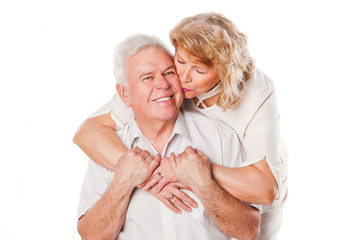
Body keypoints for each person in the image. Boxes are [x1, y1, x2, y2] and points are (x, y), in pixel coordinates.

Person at [74, 12, 287, 240]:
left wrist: (199, 174)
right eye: (180, 62)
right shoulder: (149, 90)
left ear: (223, 73)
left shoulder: (243, 110)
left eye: (199, 70)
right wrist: (142, 176)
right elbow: (86, 133)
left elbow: (265, 193)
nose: (180, 78)